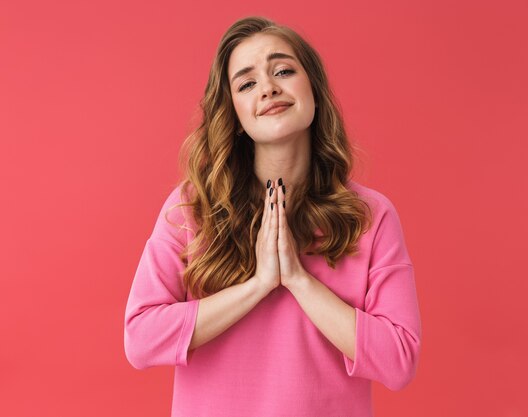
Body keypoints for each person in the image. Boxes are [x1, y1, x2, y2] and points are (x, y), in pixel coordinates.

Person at [124, 16, 422, 417]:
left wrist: (298, 280)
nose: (268, 87)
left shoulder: (369, 216)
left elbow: (399, 360)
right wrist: (259, 285)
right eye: (247, 84)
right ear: (236, 114)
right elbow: (140, 340)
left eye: (283, 70)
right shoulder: (191, 210)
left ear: (313, 89)